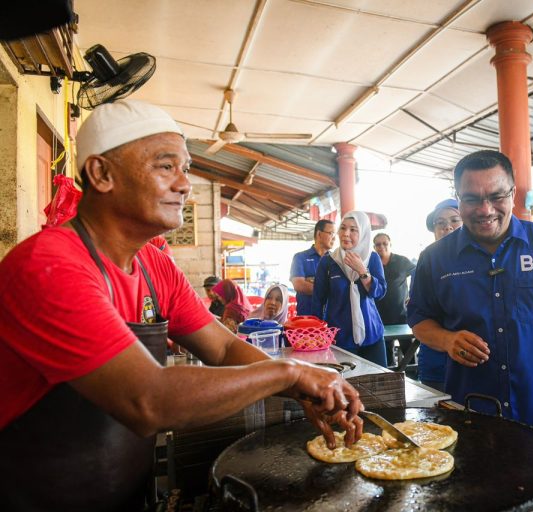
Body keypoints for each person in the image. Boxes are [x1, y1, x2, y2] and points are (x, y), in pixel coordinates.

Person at [0, 99, 362, 511]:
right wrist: (290, 371)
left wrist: (304, 390)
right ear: (102, 174)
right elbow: (147, 400)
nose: (184, 184)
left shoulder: (155, 267)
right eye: (164, 166)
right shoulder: (48, 266)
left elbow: (223, 348)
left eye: (185, 168)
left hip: (123, 494)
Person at [407, 150, 533, 455]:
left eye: (497, 196)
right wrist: (447, 339)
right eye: (472, 199)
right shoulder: (435, 258)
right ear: (458, 199)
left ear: (513, 194)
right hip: (471, 406)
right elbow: (420, 320)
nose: (485, 209)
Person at [312, 211, 388, 366]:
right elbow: (318, 300)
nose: (346, 234)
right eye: (343, 228)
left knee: (379, 384)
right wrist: (318, 334)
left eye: (353, 230)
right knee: (345, 385)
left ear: (363, 233)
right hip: (339, 337)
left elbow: (379, 293)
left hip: (371, 333)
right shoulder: (328, 262)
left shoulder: (372, 258)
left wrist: (362, 271)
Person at [415, 198, 463, 391]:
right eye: (440, 223)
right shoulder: (426, 260)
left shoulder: (483, 260)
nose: (447, 227)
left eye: (454, 220)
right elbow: (418, 313)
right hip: (435, 362)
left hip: (473, 364)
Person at [373, 232, 416, 364]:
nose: (382, 247)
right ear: (374, 247)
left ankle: (413, 379)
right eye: (378, 244)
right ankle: (390, 380)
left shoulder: (401, 261)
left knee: (409, 351)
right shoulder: (371, 264)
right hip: (379, 318)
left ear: (390, 244)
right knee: (386, 356)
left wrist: (414, 294)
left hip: (401, 316)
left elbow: (418, 274)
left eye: (385, 243)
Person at [291, 219, 336, 315]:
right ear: (319, 234)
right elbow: (299, 285)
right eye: (331, 233)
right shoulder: (300, 257)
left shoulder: (336, 260)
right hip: (306, 318)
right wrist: (329, 288)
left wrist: (311, 282)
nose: (334, 238)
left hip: (330, 319)